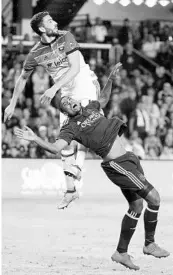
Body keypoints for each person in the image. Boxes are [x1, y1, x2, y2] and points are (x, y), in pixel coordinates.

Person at [15, 72, 170, 271]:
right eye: (65, 104)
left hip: (129, 158)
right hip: (117, 164)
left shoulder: (90, 108)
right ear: (65, 111)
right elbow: (56, 148)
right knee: (154, 198)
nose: (70, 101)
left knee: (137, 206)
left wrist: (111, 79)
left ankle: (121, 253)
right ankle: (149, 244)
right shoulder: (70, 127)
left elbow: (103, 99)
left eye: (70, 99)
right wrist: (35, 138)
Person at [4, 11, 102, 209]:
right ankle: (71, 190)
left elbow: (74, 69)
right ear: (41, 28)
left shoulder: (66, 36)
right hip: (66, 91)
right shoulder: (35, 53)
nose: (55, 22)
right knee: (64, 142)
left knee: (84, 129)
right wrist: (12, 103)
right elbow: (23, 78)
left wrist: (53, 88)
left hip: (84, 83)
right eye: (50, 21)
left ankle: (77, 169)